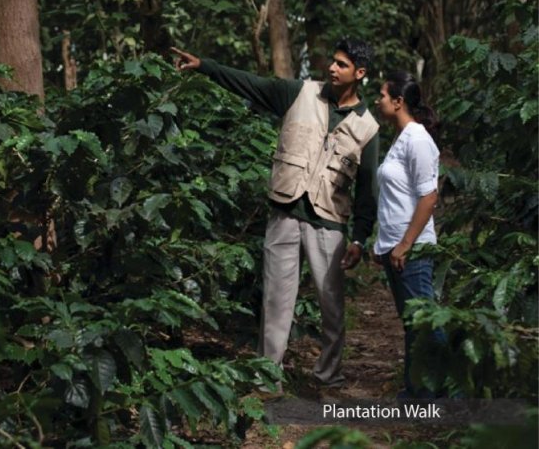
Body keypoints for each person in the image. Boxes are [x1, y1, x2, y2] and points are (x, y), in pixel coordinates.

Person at [171, 39, 379, 390]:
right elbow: (251, 83)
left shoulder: (368, 127)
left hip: (329, 222)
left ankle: (328, 376)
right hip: (285, 211)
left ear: (359, 74)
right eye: (333, 61)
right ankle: (268, 379)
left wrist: (360, 237)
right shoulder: (299, 93)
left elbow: (367, 189)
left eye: (341, 64)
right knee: (276, 300)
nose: (331, 68)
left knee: (332, 306)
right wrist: (206, 65)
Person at [372, 71, 444, 398]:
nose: (377, 100)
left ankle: (453, 396)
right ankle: (416, 393)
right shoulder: (401, 139)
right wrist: (384, 245)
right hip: (397, 247)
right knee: (414, 322)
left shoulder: (417, 139)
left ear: (398, 102)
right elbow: (398, 197)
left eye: (382, 96)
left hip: (411, 248)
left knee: (427, 322)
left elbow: (429, 197)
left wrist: (404, 244)